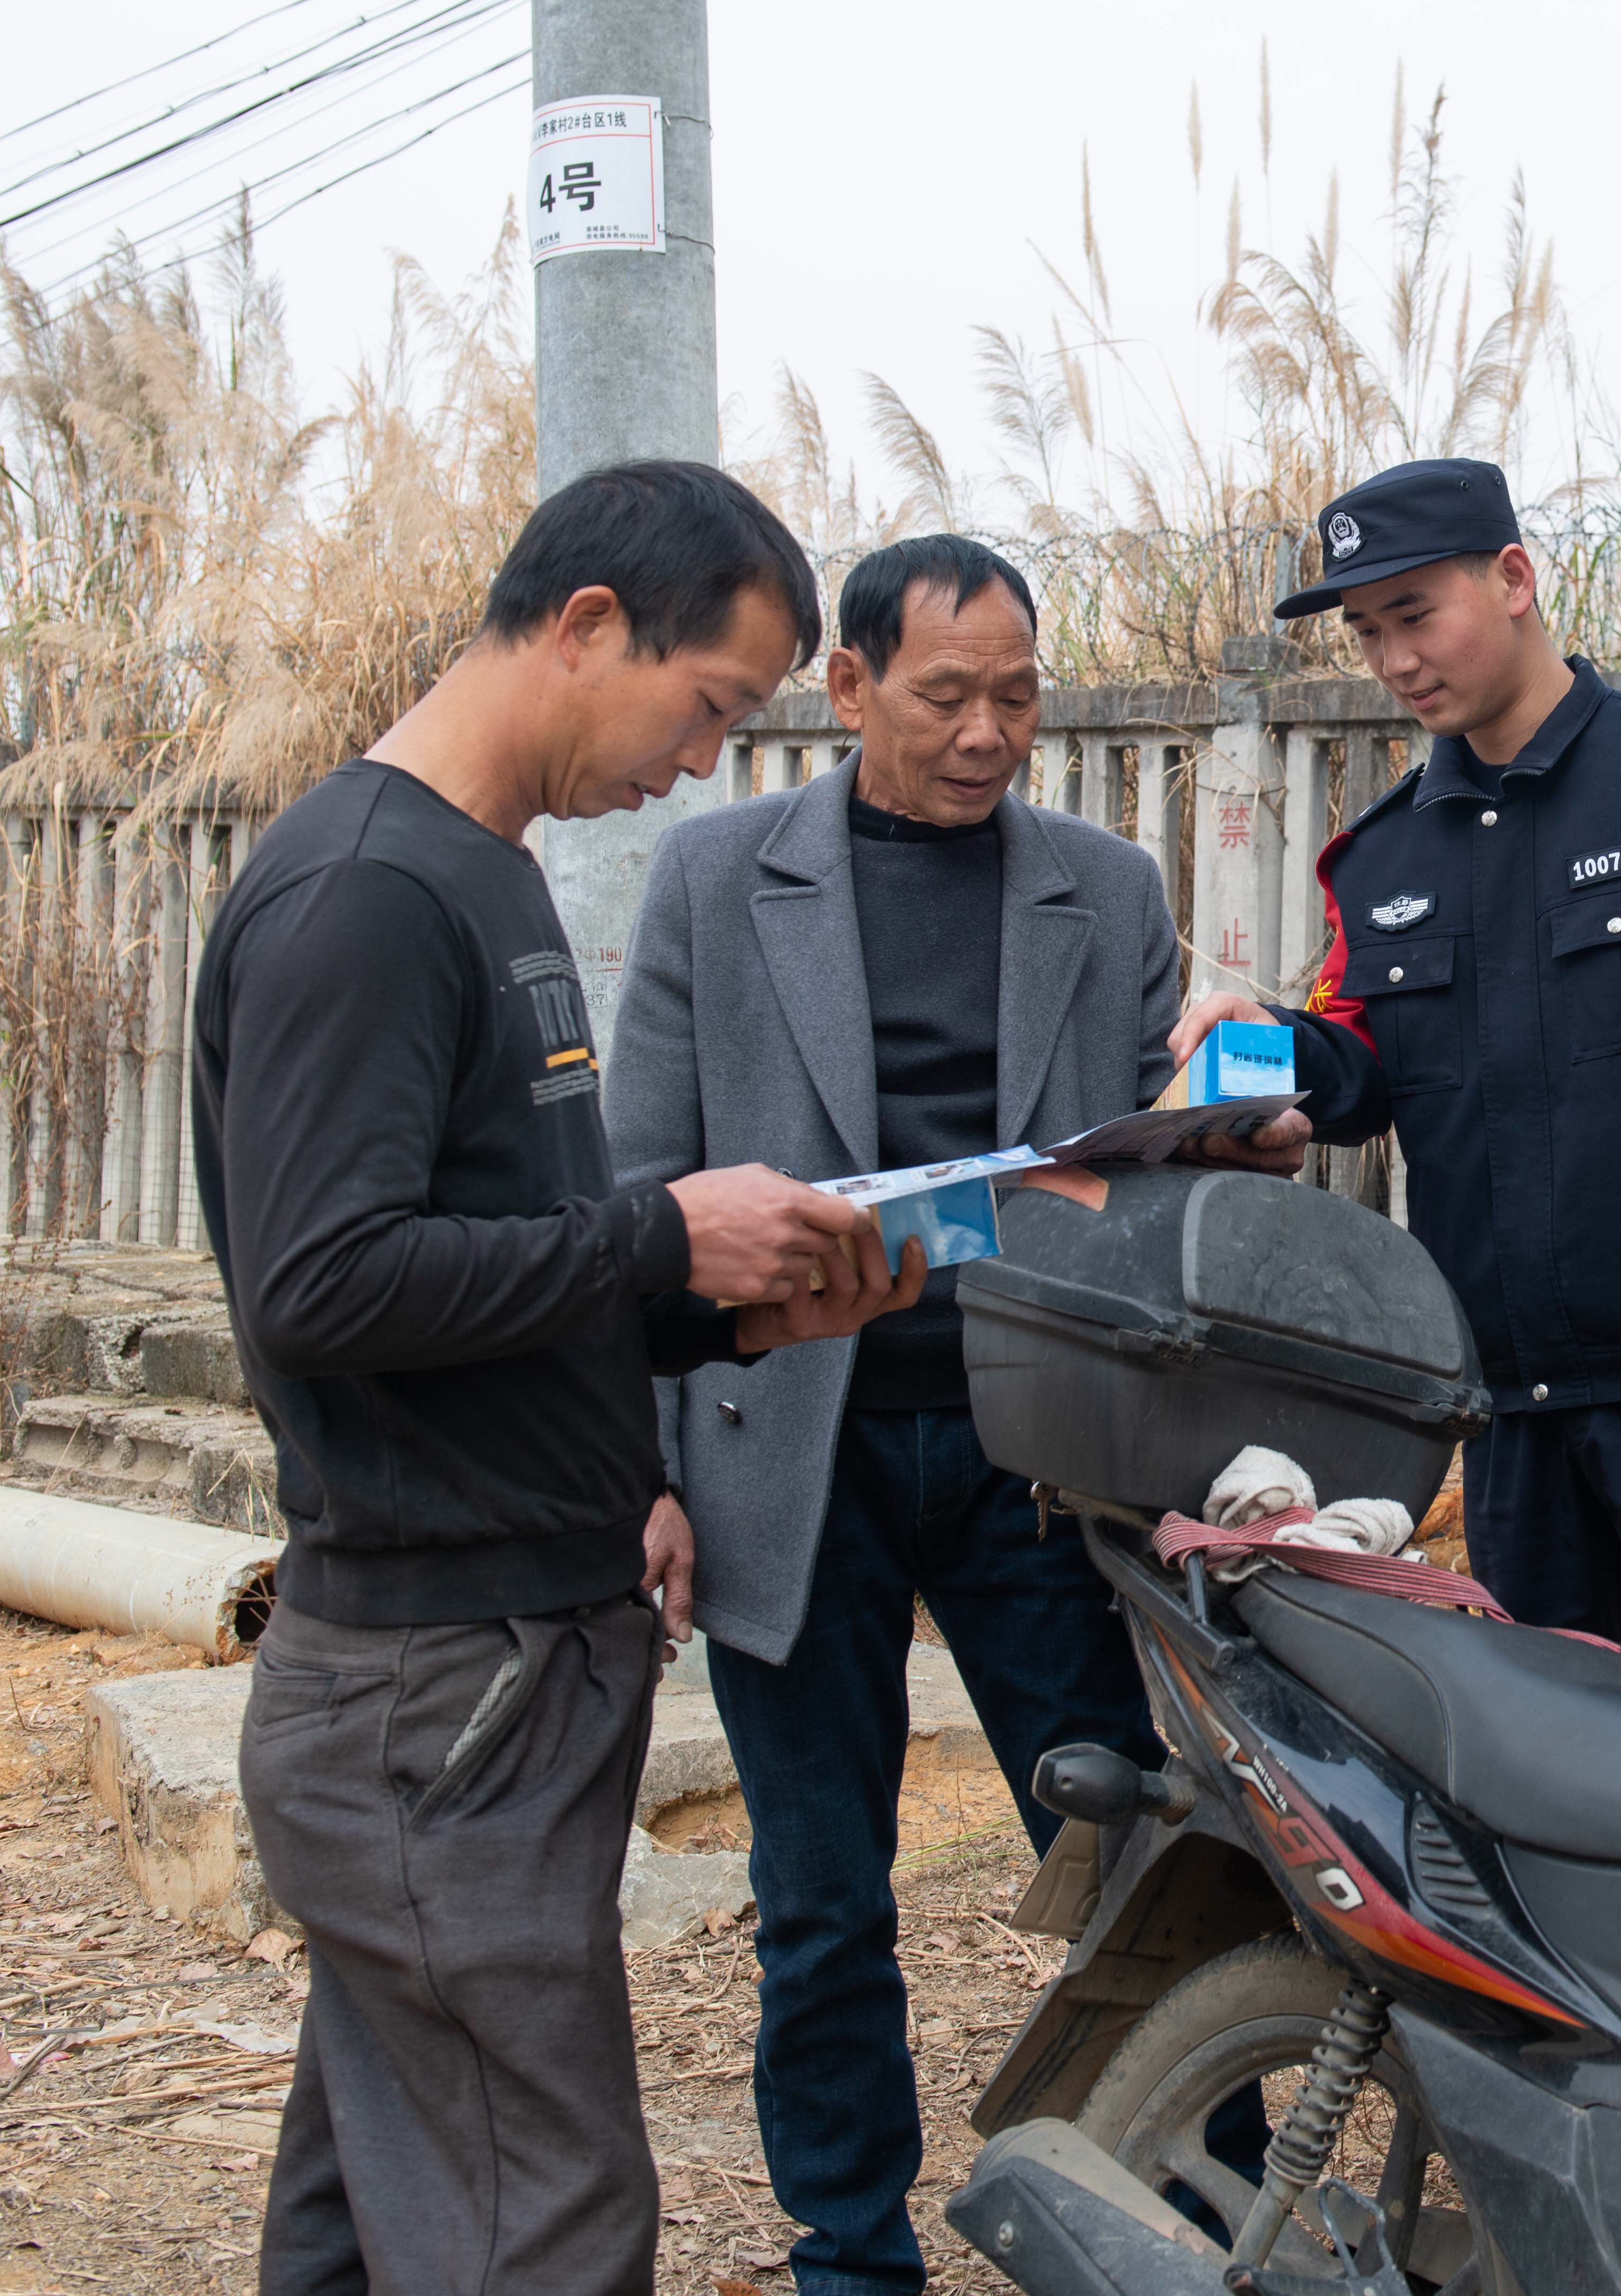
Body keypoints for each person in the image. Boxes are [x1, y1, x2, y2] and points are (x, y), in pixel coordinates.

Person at [193, 457, 922, 2296]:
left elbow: (505, 1264)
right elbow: (322, 1283)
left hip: (497, 1661)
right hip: (444, 1691)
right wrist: (663, 1238)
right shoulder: (367, 895)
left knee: (376, 2204)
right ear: (592, 626)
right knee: (546, 2225)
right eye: (709, 707)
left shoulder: (486, 874)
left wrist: (731, 1308)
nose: (698, 761)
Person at [604, 533, 1301, 2296]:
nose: (991, 734)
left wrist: (1245, 1106)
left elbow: (1163, 1143)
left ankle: (1200, 2219)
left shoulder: (1101, 886)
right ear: (848, 690)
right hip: (786, 1451)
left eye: (1019, 695)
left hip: (1037, 1454)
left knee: (1138, 1861)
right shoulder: (712, 881)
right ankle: (850, 2250)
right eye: (947, 697)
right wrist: (643, 1473)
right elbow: (635, 1189)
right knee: (825, 1898)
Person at [1170, 458, 1621, 1637]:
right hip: (1506, 1403)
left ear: (1514, 577)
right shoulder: (1380, 862)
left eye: (1416, 613)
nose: (1393, 660)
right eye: (1368, 631)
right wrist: (1260, 1048)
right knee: (1552, 1745)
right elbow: (1362, 1068)